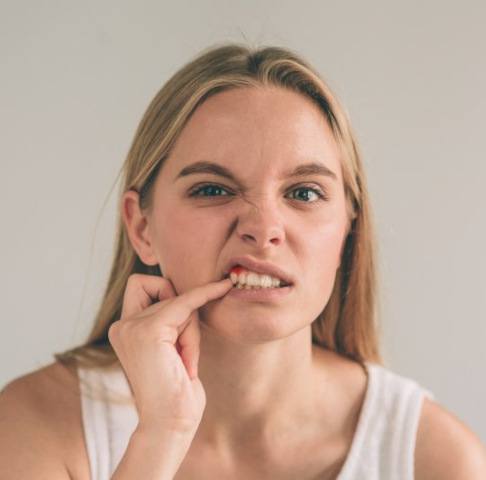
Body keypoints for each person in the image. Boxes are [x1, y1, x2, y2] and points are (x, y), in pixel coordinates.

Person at [1, 43, 485, 480]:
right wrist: (162, 435)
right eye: (212, 189)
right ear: (141, 227)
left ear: (347, 230)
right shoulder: (33, 426)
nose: (262, 227)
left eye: (304, 192)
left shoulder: (436, 461)